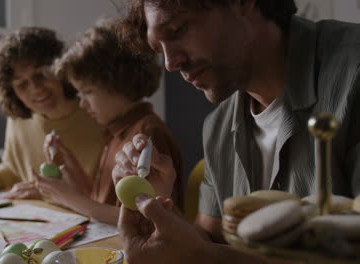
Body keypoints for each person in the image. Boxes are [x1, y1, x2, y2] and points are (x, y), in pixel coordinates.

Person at [113, 0, 360, 263]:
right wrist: (158, 214)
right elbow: (210, 240)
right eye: (158, 49)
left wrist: (202, 256)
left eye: (177, 29)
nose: (170, 63)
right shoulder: (217, 127)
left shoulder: (352, 77)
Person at [34, 20, 183, 225]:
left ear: (117, 81)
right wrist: (68, 164)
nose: (83, 104)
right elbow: (103, 201)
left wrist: (68, 198)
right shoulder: (116, 133)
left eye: (87, 92)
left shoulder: (145, 135)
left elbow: (141, 219)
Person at [0, 27, 104, 200]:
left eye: (41, 75)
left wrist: (49, 194)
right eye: (22, 84)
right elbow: (13, 169)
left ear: (60, 69)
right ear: (12, 92)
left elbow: (108, 194)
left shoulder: (97, 114)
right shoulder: (19, 120)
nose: (36, 89)